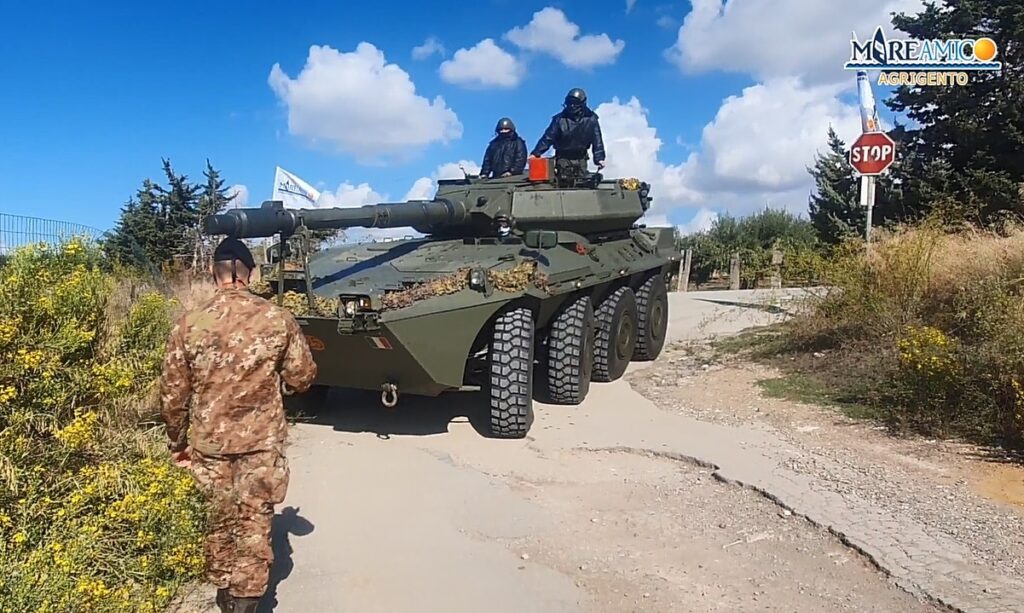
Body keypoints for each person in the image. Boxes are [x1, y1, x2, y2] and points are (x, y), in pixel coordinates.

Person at [159, 238, 318, 613]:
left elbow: (172, 393)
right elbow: (302, 377)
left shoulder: (189, 323)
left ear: (214, 274)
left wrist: (177, 441)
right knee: (253, 521)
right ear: (251, 272)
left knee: (218, 519)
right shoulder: (279, 319)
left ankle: (225, 594)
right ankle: (246, 601)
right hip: (261, 445)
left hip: (209, 445)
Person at [530, 87, 606, 182]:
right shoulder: (559, 119)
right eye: (570, 103)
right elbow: (548, 137)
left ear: (582, 104)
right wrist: (536, 153)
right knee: (564, 181)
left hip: (581, 157)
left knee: (582, 182)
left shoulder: (591, 119)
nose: (572, 106)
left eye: (575, 103)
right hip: (563, 157)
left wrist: (599, 158)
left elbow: (597, 140)